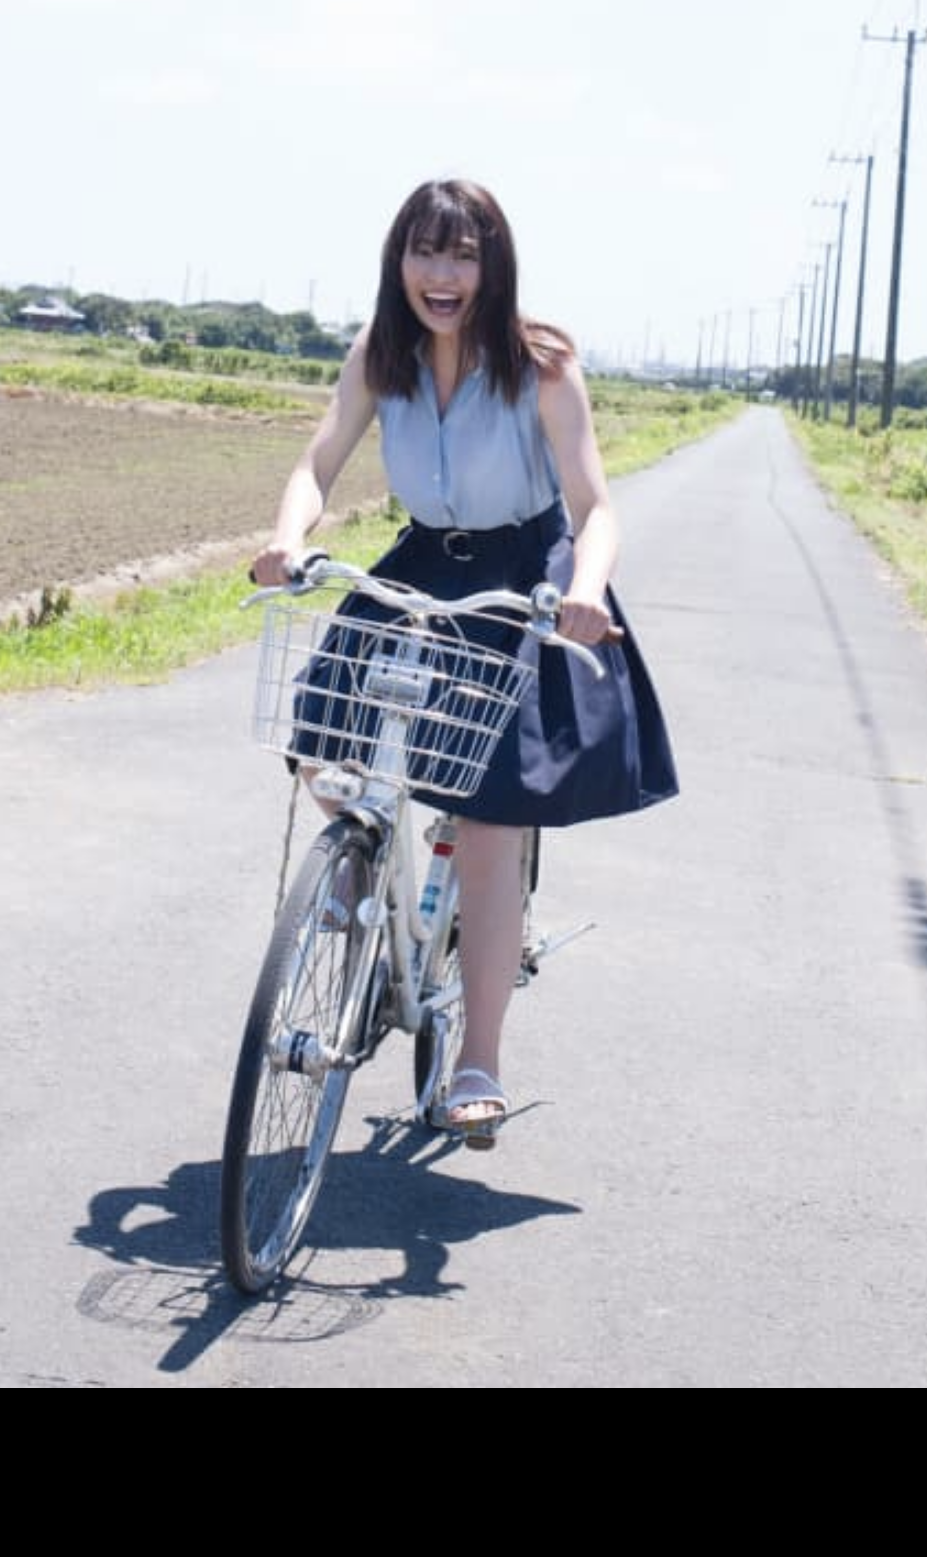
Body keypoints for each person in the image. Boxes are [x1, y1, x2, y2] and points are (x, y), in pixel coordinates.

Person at [250, 176, 677, 1145]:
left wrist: (586, 590)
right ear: (397, 260)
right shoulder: (381, 352)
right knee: (317, 730)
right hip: (421, 563)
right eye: (423, 251)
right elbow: (318, 461)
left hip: (520, 574)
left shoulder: (540, 363)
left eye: (462, 255)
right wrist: (286, 539)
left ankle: (477, 1058)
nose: (439, 275)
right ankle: (356, 866)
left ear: (494, 267)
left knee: (488, 823)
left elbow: (593, 505)